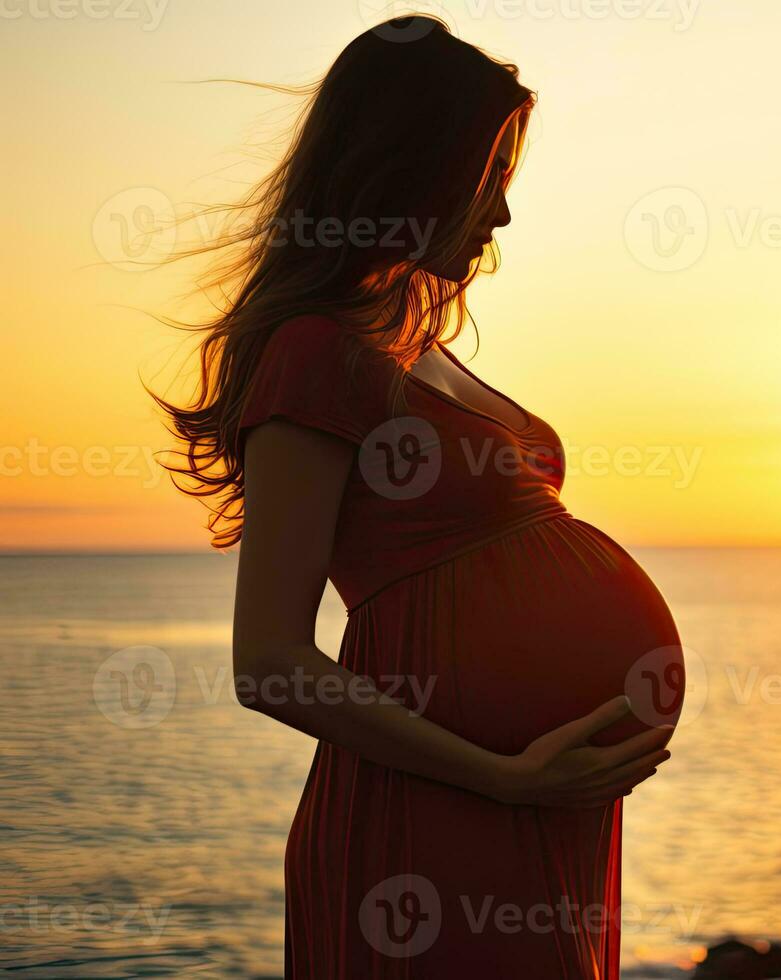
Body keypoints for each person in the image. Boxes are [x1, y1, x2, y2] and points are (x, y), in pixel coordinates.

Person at [155, 17, 686, 976]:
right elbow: (269, 662)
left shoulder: (418, 346)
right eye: (486, 177)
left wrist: (537, 783)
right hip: (438, 823)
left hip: (543, 810)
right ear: (406, 169)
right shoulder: (315, 357)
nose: (504, 215)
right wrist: (506, 778)